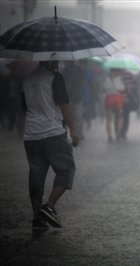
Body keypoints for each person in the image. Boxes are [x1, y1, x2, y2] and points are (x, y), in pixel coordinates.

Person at [21, 60, 79, 231]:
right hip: (52, 133)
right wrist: (73, 130)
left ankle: (37, 217)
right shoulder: (55, 77)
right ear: (53, 59)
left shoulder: (27, 79)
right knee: (66, 170)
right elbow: (64, 104)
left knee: (36, 174)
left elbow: (24, 107)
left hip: (31, 134)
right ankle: (49, 206)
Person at [104, 68, 125, 143]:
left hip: (109, 99)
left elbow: (105, 88)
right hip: (117, 99)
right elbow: (122, 88)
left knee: (109, 119)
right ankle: (117, 133)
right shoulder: (120, 78)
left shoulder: (107, 78)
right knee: (119, 117)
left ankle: (110, 135)